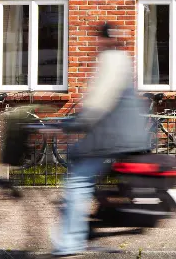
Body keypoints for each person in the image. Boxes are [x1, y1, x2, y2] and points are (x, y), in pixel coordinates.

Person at [51, 23, 151, 257]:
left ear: (104, 40)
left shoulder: (111, 61)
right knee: (84, 166)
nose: (95, 43)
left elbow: (97, 106)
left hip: (115, 138)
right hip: (123, 136)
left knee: (77, 180)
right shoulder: (123, 59)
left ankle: (69, 243)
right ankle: (88, 228)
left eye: (98, 39)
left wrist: (67, 125)